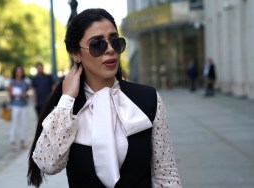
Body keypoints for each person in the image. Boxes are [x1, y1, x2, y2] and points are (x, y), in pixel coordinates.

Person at [27, 8, 182, 188]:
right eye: (97, 44)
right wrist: (67, 98)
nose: (110, 50)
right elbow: (48, 163)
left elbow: (166, 173)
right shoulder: (67, 110)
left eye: (115, 41)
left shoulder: (148, 98)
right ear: (76, 54)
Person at [7, 65, 29, 151]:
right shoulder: (12, 82)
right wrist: (17, 94)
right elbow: (9, 94)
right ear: (15, 72)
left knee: (23, 124)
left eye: (20, 71)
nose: (19, 73)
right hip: (14, 105)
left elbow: (26, 93)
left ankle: (23, 140)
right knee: (14, 124)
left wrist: (24, 95)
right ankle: (12, 141)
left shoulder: (24, 82)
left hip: (23, 105)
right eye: (17, 71)